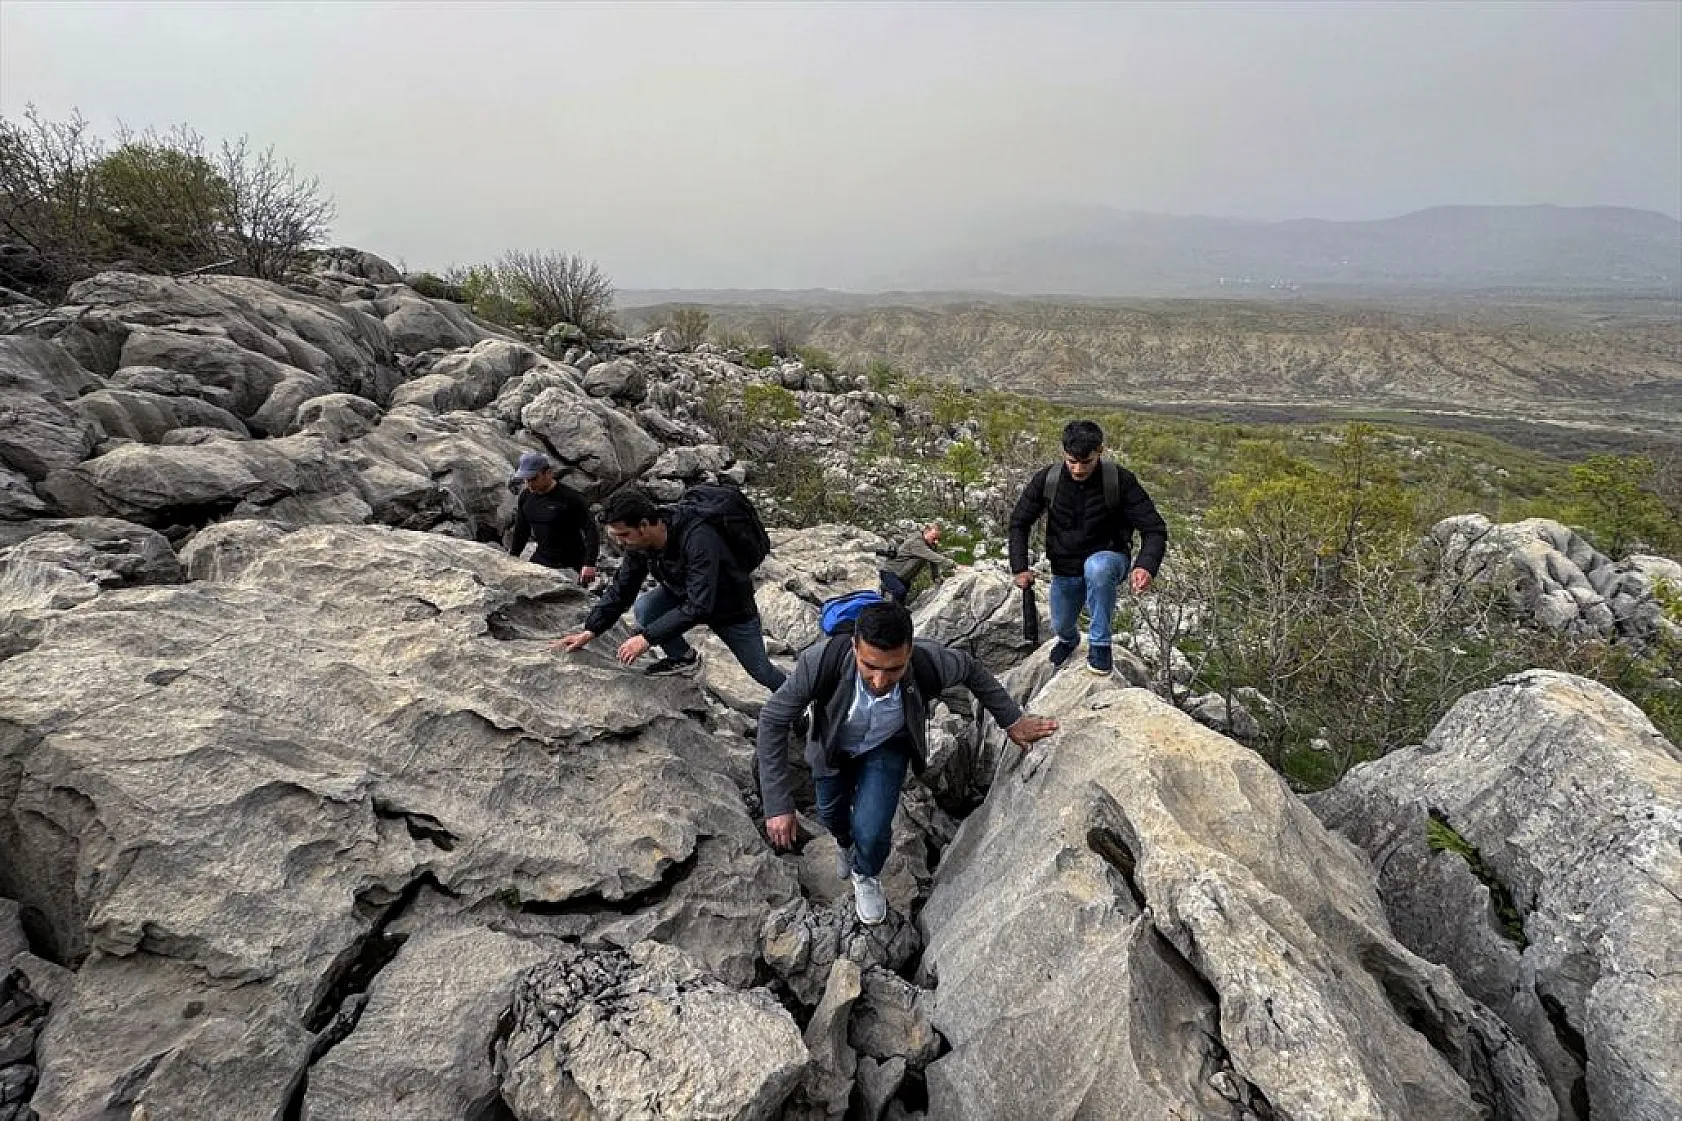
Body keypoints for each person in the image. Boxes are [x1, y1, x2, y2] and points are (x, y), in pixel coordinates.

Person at [757, 601, 1059, 925]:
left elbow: (972, 670)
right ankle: (844, 844)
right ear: (853, 647)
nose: (878, 680)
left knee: (872, 830)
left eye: (893, 669)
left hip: (888, 747)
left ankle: (866, 873)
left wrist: (1012, 721)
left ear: (909, 652)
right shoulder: (820, 662)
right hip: (833, 750)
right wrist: (778, 804)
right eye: (869, 666)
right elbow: (773, 719)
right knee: (831, 813)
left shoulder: (929, 661)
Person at [552, 488, 787, 687]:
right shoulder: (641, 545)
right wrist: (591, 629)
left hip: (729, 607)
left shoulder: (698, 538)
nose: (620, 543)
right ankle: (683, 658)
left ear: (644, 525)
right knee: (645, 607)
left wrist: (647, 638)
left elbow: (699, 605)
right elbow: (623, 587)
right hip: (682, 592)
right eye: (616, 537)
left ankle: (801, 703)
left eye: (624, 535)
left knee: (761, 671)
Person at [1008, 419, 1167, 676]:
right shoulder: (1047, 480)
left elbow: (1154, 529)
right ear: (1063, 453)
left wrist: (1145, 565)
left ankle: (1100, 645)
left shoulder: (1119, 480)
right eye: (1072, 461)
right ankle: (1070, 641)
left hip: (1109, 557)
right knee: (1061, 624)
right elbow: (1019, 522)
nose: (1079, 469)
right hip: (1065, 566)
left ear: (1100, 452)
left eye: (1086, 462)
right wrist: (1020, 567)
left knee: (1098, 568)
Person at [507, 451, 599, 584]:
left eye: (534, 478)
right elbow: (521, 531)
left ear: (548, 473)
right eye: (526, 479)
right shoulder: (526, 497)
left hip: (571, 563)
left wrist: (589, 563)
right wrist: (513, 557)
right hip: (542, 558)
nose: (529, 484)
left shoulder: (571, 498)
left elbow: (590, 529)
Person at [877, 523, 957, 604]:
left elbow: (933, 562)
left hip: (903, 577)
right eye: (934, 537)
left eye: (938, 538)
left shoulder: (931, 544)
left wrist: (936, 577)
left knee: (901, 598)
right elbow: (932, 556)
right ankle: (890, 610)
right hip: (890, 573)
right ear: (926, 531)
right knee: (900, 591)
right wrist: (953, 564)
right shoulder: (916, 542)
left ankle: (893, 608)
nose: (936, 541)